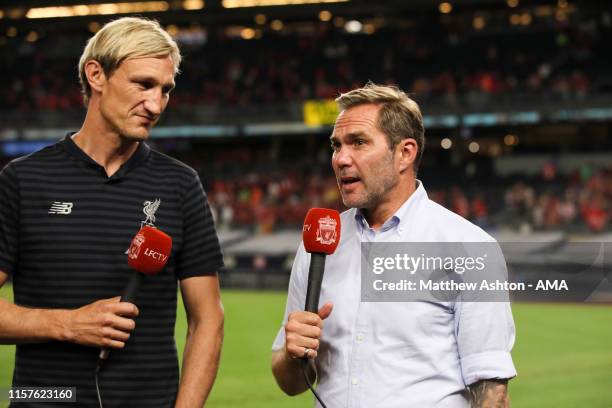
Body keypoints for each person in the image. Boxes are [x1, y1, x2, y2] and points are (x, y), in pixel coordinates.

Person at [0, 17, 224, 407]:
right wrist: (66, 325)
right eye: (143, 84)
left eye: (165, 90)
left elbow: (208, 320)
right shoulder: (23, 179)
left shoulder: (181, 184)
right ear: (96, 74)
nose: (155, 105)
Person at [271, 83, 516, 407]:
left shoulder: (468, 247)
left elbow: (491, 391)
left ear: (405, 153)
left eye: (358, 143)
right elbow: (289, 382)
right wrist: (292, 354)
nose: (341, 159)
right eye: (336, 145)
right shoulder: (320, 243)